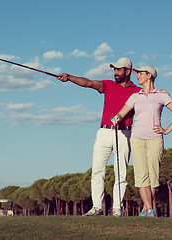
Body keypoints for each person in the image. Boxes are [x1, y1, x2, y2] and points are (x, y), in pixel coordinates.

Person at [58, 57, 141, 217]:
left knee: (121, 172)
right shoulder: (108, 85)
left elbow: (151, 96)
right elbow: (88, 83)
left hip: (124, 133)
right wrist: (69, 77)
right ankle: (97, 207)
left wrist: (162, 92)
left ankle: (117, 208)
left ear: (128, 71)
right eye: (114, 69)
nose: (115, 72)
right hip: (104, 132)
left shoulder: (137, 91)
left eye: (118, 69)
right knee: (97, 170)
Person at [111, 65, 172, 217]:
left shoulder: (162, 95)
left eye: (140, 74)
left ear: (149, 75)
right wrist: (116, 118)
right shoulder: (135, 97)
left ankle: (146, 208)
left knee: (153, 176)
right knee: (141, 175)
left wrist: (166, 130)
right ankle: (149, 209)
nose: (137, 76)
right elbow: (122, 112)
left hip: (155, 140)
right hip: (137, 139)